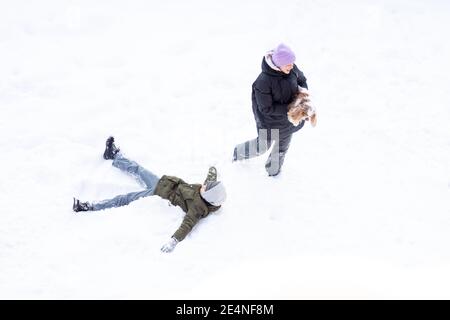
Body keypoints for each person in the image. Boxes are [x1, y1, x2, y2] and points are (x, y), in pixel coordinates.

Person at [73, 137, 227, 253]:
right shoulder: (208, 194)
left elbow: (187, 225)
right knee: (138, 169)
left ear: (207, 198)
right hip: (163, 183)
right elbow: (210, 181)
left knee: (124, 199)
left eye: (206, 187)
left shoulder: (197, 209)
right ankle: (113, 155)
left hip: (157, 194)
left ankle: (91, 206)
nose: (204, 184)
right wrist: (212, 170)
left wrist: (173, 240)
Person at [232, 43, 309, 176]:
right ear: (278, 64)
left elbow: (302, 80)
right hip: (270, 122)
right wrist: (292, 108)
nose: (292, 66)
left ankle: (273, 173)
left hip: (289, 121)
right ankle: (237, 153)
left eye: (292, 63)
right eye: (288, 64)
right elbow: (266, 108)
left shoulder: (291, 69)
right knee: (262, 147)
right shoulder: (263, 82)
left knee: (281, 148)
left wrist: (303, 94)